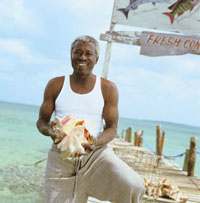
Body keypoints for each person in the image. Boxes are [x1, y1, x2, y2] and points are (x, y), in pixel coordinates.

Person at [36, 35, 145, 203]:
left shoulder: (107, 88)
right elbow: (41, 121)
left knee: (133, 185)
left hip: (95, 155)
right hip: (61, 158)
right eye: (77, 52)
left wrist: (96, 141)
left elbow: (112, 129)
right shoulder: (56, 85)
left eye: (88, 54)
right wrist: (50, 130)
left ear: (96, 59)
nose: (82, 57)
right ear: (70, 55)